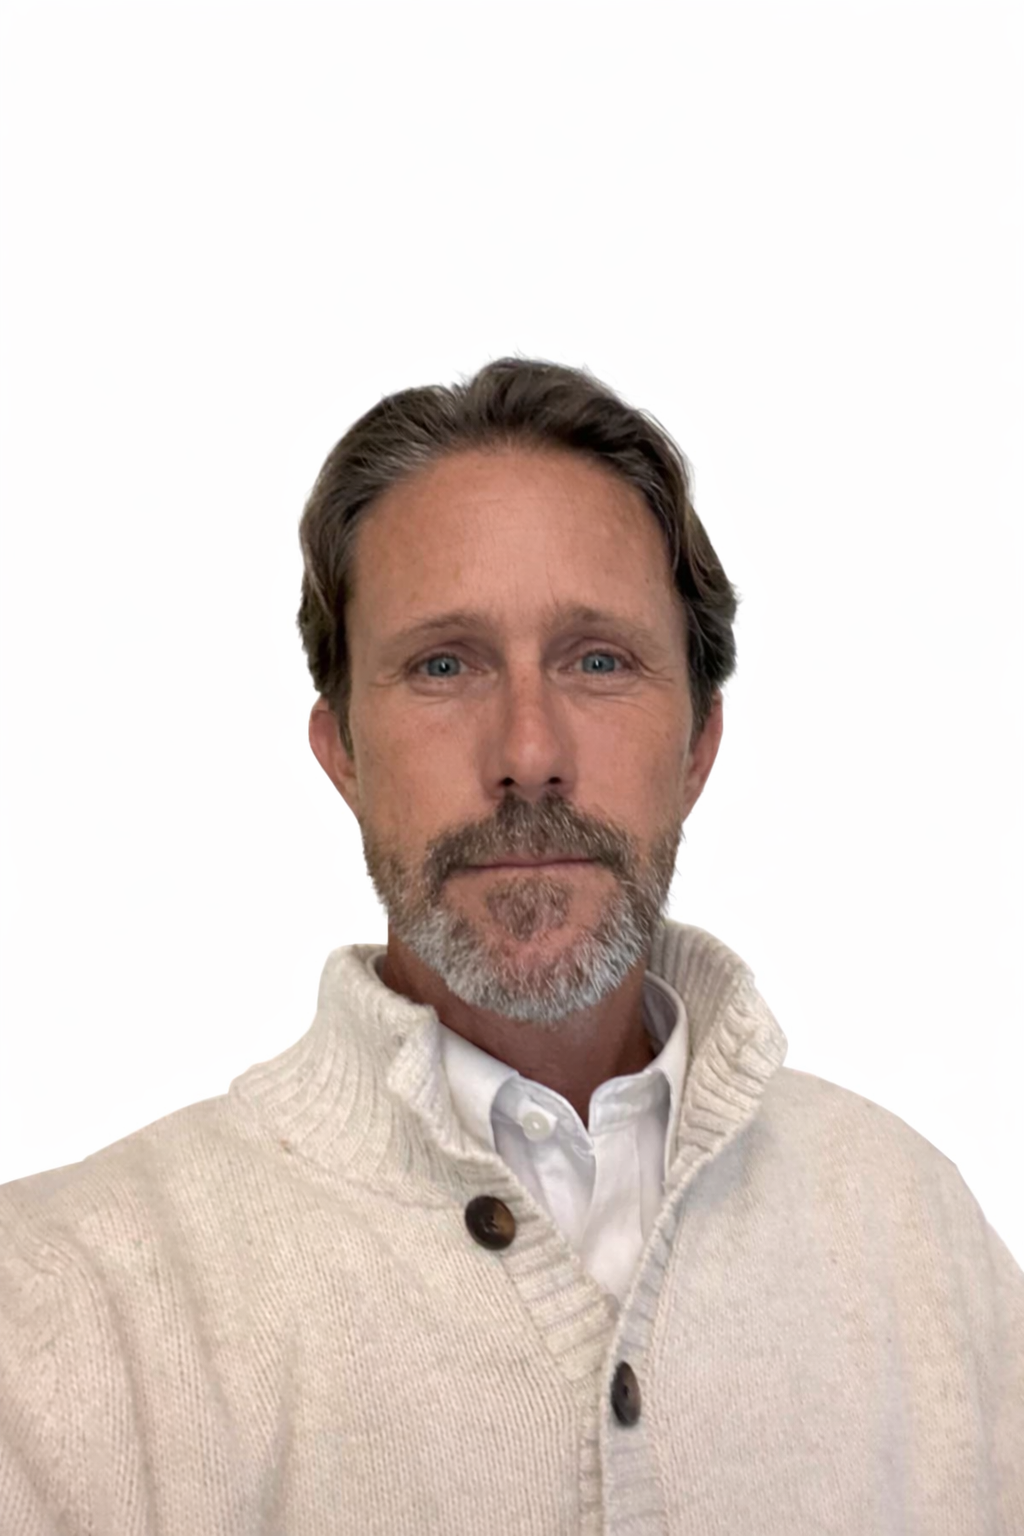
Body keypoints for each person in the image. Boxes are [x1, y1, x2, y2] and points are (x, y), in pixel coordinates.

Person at [1, 357, 1021, 1535]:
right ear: (341, 751)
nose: (528, 751)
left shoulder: (914, 1238)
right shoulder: (70, 1313)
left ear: (698, 746)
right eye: (444, 665)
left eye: (599, 660)